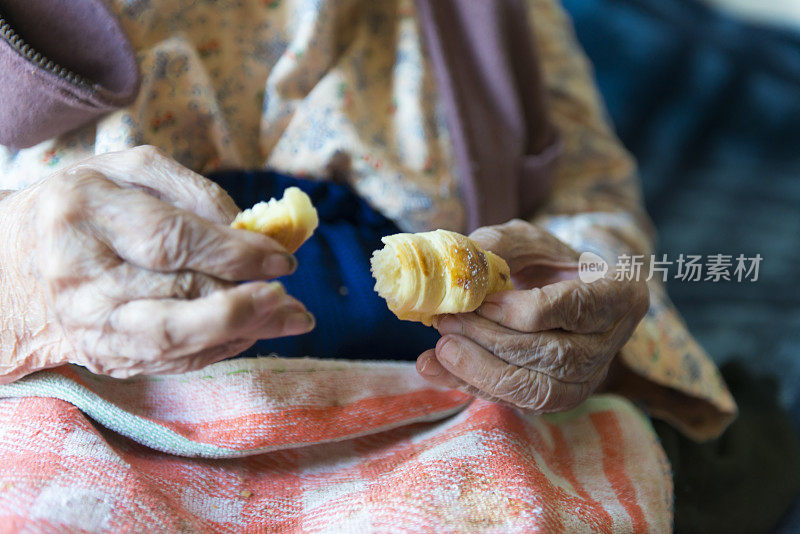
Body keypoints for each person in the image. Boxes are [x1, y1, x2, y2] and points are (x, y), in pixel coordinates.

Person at [0, 0, 736, 530]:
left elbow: (589, 201)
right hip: (84, 409)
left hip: (440, 414)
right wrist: (20, 287)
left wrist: (587, 299)